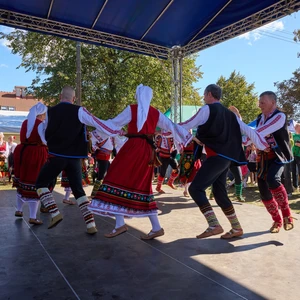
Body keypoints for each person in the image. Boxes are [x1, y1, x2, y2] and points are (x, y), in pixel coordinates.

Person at [88, 84, 193, 239]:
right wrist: (186, 136)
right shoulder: (155, 113)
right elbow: (171, 126)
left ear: (137, 95)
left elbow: (114, 123)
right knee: (142, 186)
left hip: (133, 149)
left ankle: (120, 224)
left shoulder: (132, 109)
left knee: (115, 178)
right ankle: (154, 227)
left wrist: (94, 124)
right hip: (148, 151)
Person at [179, 84, 268, 239]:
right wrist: (261, 144)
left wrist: (168, 127)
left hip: (216, 157)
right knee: (220, 193)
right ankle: (236, 228)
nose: (203, 97)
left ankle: (214, 224)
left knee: (195, 189)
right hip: (226, 159)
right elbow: (247, 130)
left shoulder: (206, 109)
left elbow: (186, 125)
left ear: (209, 94)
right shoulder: (230, 114)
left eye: (204, 94)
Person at [35, 86, 123, 234]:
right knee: (79, 191)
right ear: (74, 98)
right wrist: (115, 130)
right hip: (75, 158)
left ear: (60, 96)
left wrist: (48, 144)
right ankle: (91, 225)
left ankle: (55, 213)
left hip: (56, 155)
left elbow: (43, 133)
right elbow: (98, 123)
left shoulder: (50, 111)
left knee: (40, 184)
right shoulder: (80, 111)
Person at [251, 91, 294, 233]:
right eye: (259, 102)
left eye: (262, 102)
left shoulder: (280, 116)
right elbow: (250, 133)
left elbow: (258, 132)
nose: (259, 105)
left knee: (273, 179)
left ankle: (287, 216)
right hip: (263, 158)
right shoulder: (259, 118)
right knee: (263, 191)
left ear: (273, 103)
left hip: (278, 156)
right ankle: (277, 221)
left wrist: (245, 130)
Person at [13, 103, 48, 224]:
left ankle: (19, 210)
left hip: (22, 152)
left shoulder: (25, 122)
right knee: (34, 183)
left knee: (22, 182)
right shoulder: (41, 125)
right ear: (42, 114)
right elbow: (46, 141)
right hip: (36, 154)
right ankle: (33, 217)